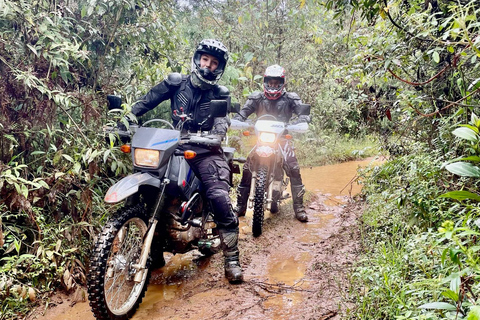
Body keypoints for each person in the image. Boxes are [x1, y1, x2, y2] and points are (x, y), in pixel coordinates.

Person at [128, 39, 243, 283]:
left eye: (213, 63)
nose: (207, 66)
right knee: (149, 184)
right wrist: (126, 118)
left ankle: (232, 257)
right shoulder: (175, 82)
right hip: (171, 144)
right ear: (197, 59)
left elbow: (222, 120)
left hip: (206, 150)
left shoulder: (219, 93)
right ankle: (153, 251)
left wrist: (217, 135)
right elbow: (146, 102)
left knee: (218, 196)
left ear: (219, 67)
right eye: (205, 60)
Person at [233, 64, 310, 222]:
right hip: (261, 138)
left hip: (281, 139)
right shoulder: (257, 97)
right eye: (270, 82)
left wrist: (302, 120)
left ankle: (299, 207)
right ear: (265, 82)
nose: (273, 86)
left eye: (276, 83)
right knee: (247, 167)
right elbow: (243, 113)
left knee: (293, 167)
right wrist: (237, 120)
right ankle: (240, 206)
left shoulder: (290, 98)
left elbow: (302, 112)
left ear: (282, 83)